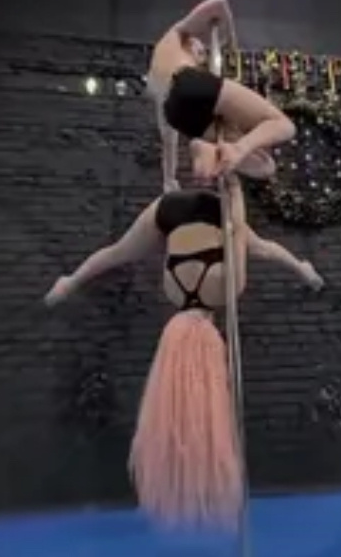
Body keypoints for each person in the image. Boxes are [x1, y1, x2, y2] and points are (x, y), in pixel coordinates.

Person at [44, 176, 324, 528]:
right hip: (185, 211)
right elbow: (244, 235)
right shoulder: (200, 292)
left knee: (119, 252)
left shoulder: (227, 290)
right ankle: (305, 269)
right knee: (260, 247)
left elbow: (239, 233)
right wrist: (233, 193)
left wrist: (230, 197)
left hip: (186, 210)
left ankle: (69, 281)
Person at [146, 0, 296, 192]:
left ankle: (212, 147)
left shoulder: (158, 80)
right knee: (284, 125)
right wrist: (230, 41)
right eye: (201, 52)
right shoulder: (177, 34)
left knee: (266, 167)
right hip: (189, 85)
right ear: (191, 44)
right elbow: (219, 3)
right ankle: (237, 148)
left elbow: (168, 143)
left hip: (177, 116)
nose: (202, 58)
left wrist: (169, 179)